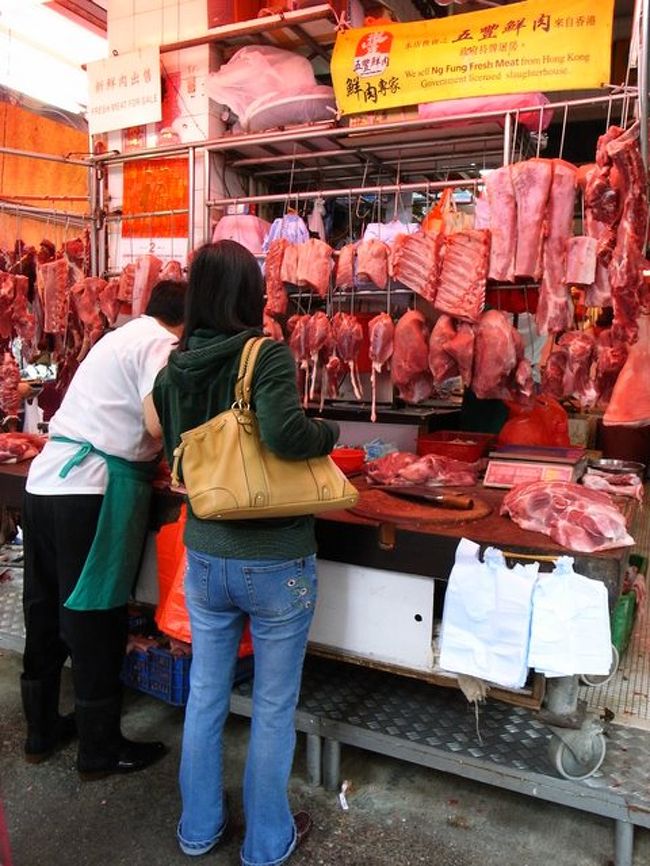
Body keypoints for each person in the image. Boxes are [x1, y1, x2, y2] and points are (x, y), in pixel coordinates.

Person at [150, 240, 340, 865]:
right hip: (276, 559)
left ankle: (198, 829)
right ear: (251, 294)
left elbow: (170, 442)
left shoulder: (174, 367)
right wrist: (331, 432)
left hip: (204, 557)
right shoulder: (266, 355)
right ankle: (266, 843)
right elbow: (288, 435)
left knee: (205, 693)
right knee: (273, 706)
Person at [21, 278, 187, 780]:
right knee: (95, 617)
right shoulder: (163, 343)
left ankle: (42, 730)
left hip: (46, 482)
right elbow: (157, 423)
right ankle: (99, 751)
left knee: (45, 609)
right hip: (90, 490)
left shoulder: (119, 336)